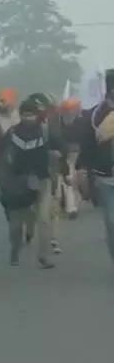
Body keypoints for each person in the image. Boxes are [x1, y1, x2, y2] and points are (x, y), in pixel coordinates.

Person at [0, 99, 50, 266]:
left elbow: (58, 148)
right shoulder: (12, 134)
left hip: (41, 180)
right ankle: (15, 248)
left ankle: (44, 255)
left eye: (31, 115)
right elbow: (0, 157)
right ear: (20, 115)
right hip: (17, 182)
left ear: (37, 115)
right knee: (16, 224)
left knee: (43, 218)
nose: (28, 118)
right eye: (25, 115)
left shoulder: (45, 132)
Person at [75, 68, 114, 264]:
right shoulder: (95, 115)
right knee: (112, 221)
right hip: (105, 177)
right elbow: (86, 146)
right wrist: (81, 170)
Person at [23, 92, 66, 259]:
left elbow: (60, 146)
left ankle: (50, 241)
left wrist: (62, 165)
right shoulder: (19, 129)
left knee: (50, 209)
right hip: (27, 175)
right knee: (31, 210)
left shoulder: (51, 126)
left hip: (48, 173)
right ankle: (29, 230)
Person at [58, 97, 83, 219]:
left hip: (70, 152)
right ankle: (71, 206)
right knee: (70, 179)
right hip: (71, 152)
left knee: (68, 179)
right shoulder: (78, 121)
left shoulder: (60, 122)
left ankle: (70, 205)